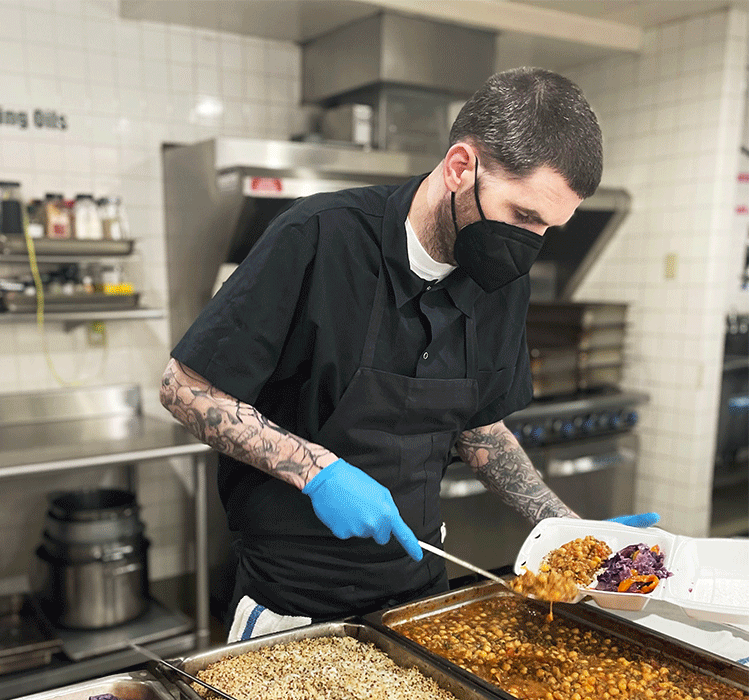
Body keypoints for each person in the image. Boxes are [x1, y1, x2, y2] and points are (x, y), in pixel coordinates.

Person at [161, 67, 658, 641]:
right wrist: (317, 470)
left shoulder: (502, 280)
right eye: (523, 216)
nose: (529, 244)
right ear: (459, 168)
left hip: (419, 590)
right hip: (291, 598)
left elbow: (479, 427)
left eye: (548, 227)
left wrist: (563, 525)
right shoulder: (319, 237)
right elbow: (184, 386)